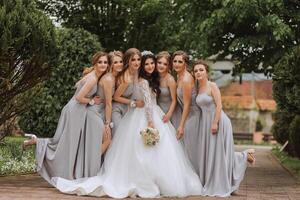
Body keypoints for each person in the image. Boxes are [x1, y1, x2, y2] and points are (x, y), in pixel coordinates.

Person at [52, 51, 203, 198]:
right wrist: (150, 121)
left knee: (158, 150)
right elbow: (143, 102)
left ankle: (155, 180)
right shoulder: (141, 80)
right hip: (144, 115)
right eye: (146, 64)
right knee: (141, 149)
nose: (150, 66)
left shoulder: (151, 78)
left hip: (154, 114)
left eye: (152, 63)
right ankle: (143, 180)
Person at [23, 52, 109, 184]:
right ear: (95, 64)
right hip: (75, 111)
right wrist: (92, 101)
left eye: (105, 62)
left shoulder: (93, 76)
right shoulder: (92, 79)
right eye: (100, 62)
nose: (103, 65)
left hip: (76, 111)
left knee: (66, 142)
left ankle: (37, 142)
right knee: (66, 144)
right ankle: (41, 147)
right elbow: (79, 98)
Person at [193, 60, 255, 197]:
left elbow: (219, 105)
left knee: (221, 153)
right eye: (196, 70)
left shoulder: (212, 85)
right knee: (216, 154)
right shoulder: (198, 89)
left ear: (207, 72)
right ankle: (244, 156)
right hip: (205, 124)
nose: (198, 72)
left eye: (201, 70)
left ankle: (243, 158)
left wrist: (215, 123)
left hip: (219, 121)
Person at [172, 50, 201, 171]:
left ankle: (197, 173)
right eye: (175, 61)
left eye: (180, 61)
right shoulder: (178, 76)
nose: (177, 64)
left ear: (185, 64)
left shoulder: (186, 79)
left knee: (191, 146)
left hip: (193, 114)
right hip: (187, 114)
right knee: (186, 146)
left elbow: (187, 104)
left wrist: (181, 126)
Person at [112, 48, 144, 134]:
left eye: (138, 59)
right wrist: (134, 103)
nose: (137, 62)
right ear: (128, 61)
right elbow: (115, 97)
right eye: (133, 60)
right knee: (119, 135)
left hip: (127, 108)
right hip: (117, 109)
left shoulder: (135, 72)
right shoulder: (127, 78)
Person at [156, 51, 180, 128]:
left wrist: (169, 114)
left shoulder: (170, 80)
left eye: (165, 64)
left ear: (168, 66)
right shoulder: (155, 77)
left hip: (170, 112)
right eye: (159, 62)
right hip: (158, 110)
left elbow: (174, 100)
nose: (161, 66)